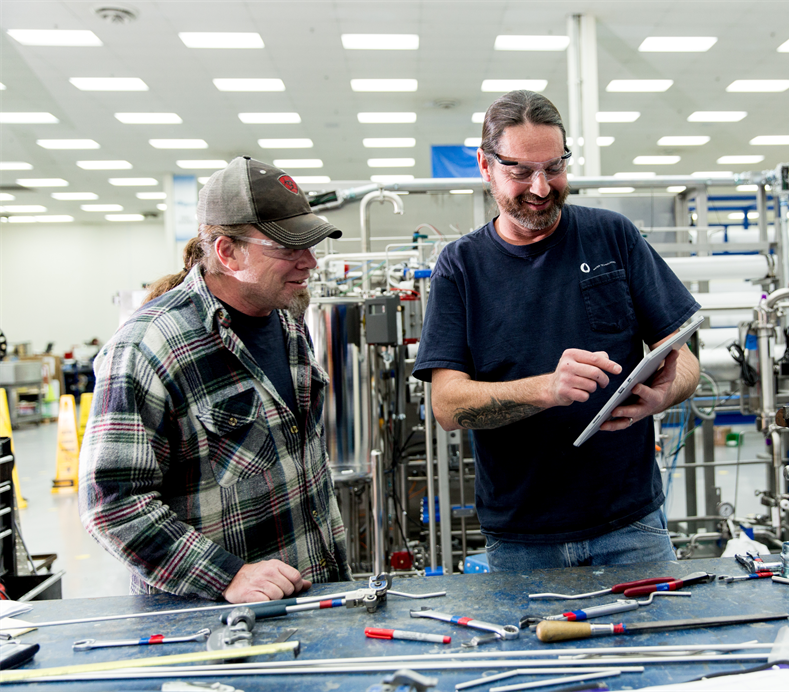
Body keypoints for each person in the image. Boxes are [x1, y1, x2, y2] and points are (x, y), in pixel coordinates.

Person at [412, 90, 701, 572]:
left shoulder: (613, 236)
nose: (541, 187)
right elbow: (446, 405)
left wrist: (664, 394)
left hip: (632, 526)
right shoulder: (460, 267)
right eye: (521, 171)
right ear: (485, 167)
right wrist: (547, 389)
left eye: (554, 167)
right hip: (522, 539)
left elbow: (682, 354)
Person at [80, 156, 351, 603]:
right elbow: (113, 505)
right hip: (212, 619)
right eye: (288, 249)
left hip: (308, 596)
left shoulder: (288, 323)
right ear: (227, 252)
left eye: (310, 246)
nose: (310, 263)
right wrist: (228, 576)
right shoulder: (148, 347)